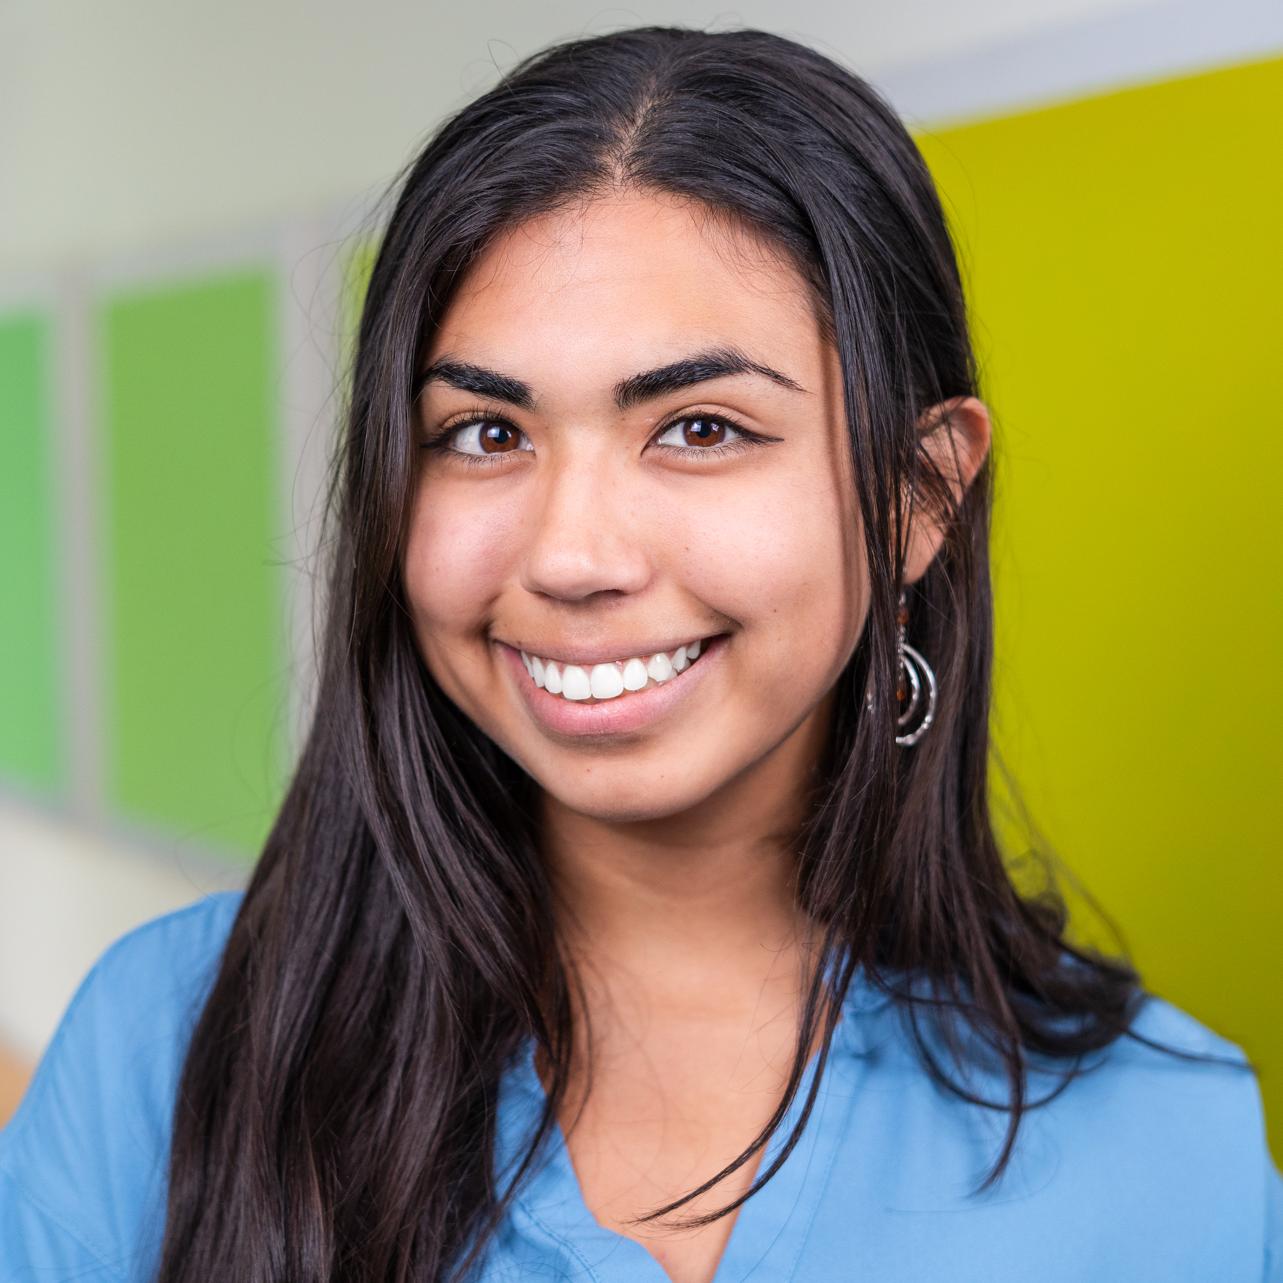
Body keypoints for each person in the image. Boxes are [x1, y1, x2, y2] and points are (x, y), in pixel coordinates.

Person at [1, 24, 1279, 1283]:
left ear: (917, 494)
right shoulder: (163, 1047)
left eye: (701, 427)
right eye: (485, 433)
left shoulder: (1167, 1150)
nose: (571, 555)